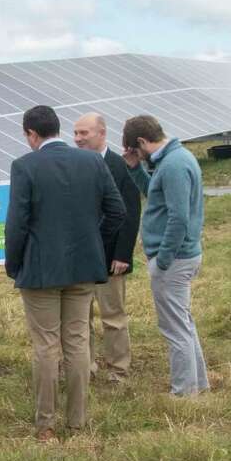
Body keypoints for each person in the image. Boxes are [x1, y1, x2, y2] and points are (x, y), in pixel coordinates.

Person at [5, 106, 124, 441]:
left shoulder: (25, 166)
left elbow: (16, 224)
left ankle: (46, 425)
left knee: (45, 346)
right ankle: (77, 421)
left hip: (41, 270)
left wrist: (15, 264)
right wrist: (93, 244)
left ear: (31, 134)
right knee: (77, 342)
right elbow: (117, 212)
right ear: (58, 129)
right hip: (85, 268)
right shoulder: (92, 162)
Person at [121, 115, 209, 397]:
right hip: (181, 257)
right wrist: (135, 170)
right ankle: (198, 385)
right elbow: (156, 195)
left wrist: (163, 260)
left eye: (136, 151)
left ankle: (183, 393)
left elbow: (178, 218)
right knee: (183, 322)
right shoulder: (174, 160)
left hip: (174, 259)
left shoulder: (173, 165)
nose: (138, 156)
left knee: (174, 328)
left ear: (142, 142)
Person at [74, 113, 142, 383]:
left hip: (110, 258)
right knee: (80, 318)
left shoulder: (120, 166)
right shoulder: (75, 166)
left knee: (113, 316)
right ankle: (85, 368)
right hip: (81, 257)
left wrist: (123, 254)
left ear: (101, 133)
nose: (78, 139)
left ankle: (118, 370)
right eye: (75, 133)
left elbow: (130, 212)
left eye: (83, 133)